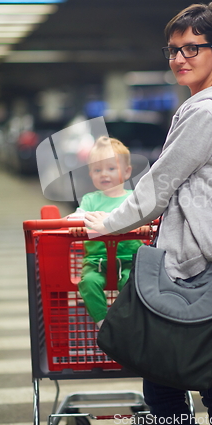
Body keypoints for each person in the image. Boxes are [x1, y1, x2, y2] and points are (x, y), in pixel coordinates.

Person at [84, 2, 212, 425]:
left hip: (189, 264)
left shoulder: (205, 112)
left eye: (193, 49)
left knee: (167, 383)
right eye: (173, 50)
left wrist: (108, 223)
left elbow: (158, 186)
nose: (179, 59)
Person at [69, 136, 142, 328]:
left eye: (111, 168)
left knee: (132, 283)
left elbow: (147, 218)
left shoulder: (133, 199)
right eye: (97, 169)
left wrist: (144, 225)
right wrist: (77, 223)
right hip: (96, 260)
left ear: (126, 172)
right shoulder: (90, 200)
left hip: (129, 258)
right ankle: (103, 323)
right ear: (90, 173)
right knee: (87, 282)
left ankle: (126, 322)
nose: (104, 174)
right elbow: (76, 218)